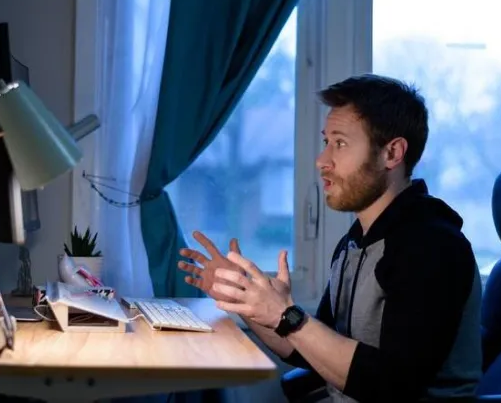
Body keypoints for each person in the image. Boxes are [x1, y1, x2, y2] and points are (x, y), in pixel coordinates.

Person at [178, 74, 482, 403]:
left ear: (392, 153)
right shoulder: (355, 243)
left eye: (340, 143)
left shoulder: (432, 248)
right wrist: (246, 299)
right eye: (326, 142)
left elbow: (395, 385)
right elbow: (307, 350)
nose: (322, 161)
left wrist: (287, 315)